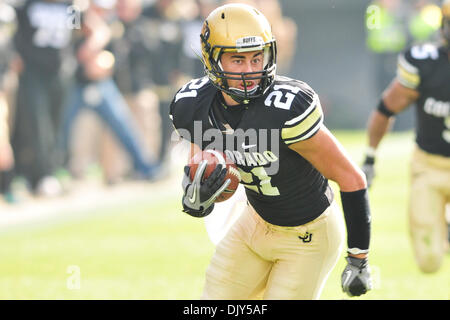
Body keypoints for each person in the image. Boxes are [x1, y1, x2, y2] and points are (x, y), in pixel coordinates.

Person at [170, 3, 372, 299]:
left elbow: (351, 178)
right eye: (237, 60)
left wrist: (359, 259)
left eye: (256, 58)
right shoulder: (194, 105)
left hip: (308, 235)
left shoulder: (286, 108)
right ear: (211, 58)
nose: (250, 70)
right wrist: (198, 194)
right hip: (254, 224)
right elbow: (209, 175)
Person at [362, 0, 450, 274]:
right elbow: (386, 108)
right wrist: (370, 158)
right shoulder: (426, 64)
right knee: (429, 262)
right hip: (430, 166)